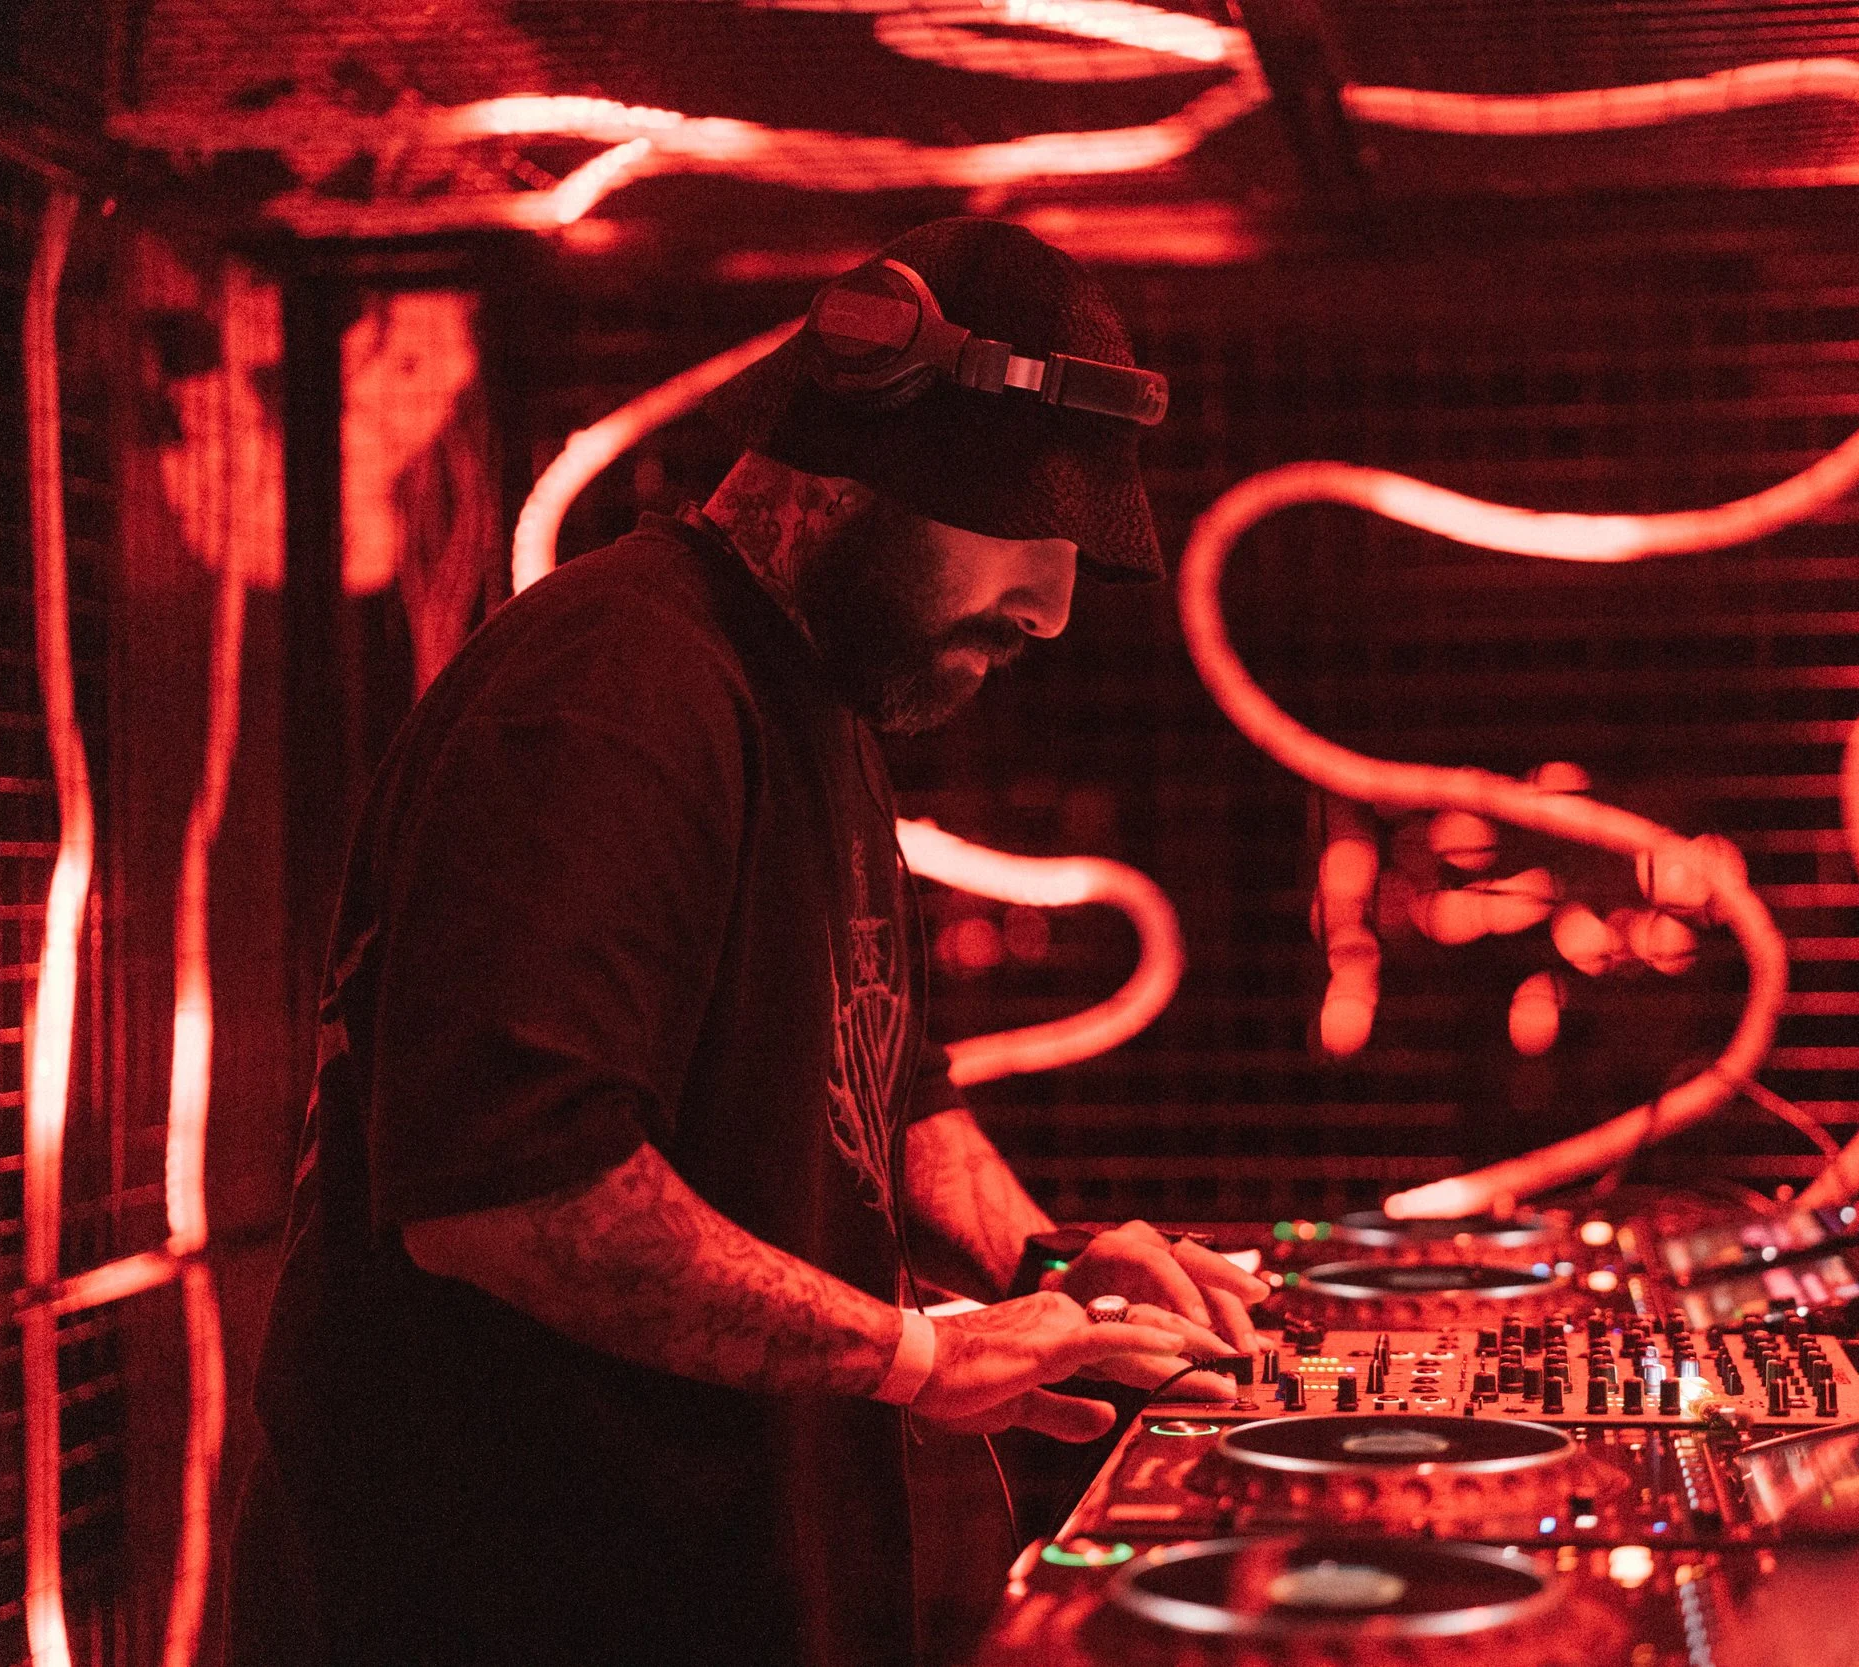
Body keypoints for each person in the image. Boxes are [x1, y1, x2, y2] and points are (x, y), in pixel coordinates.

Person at [233, 217, 1270, 1667]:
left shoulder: (816, 712)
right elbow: (513, 1193)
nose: (1048, 607)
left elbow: (893, 1092)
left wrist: (1049, 1268)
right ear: (870, 466)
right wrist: (919, 1353)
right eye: (1029, 538)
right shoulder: (611, 696)